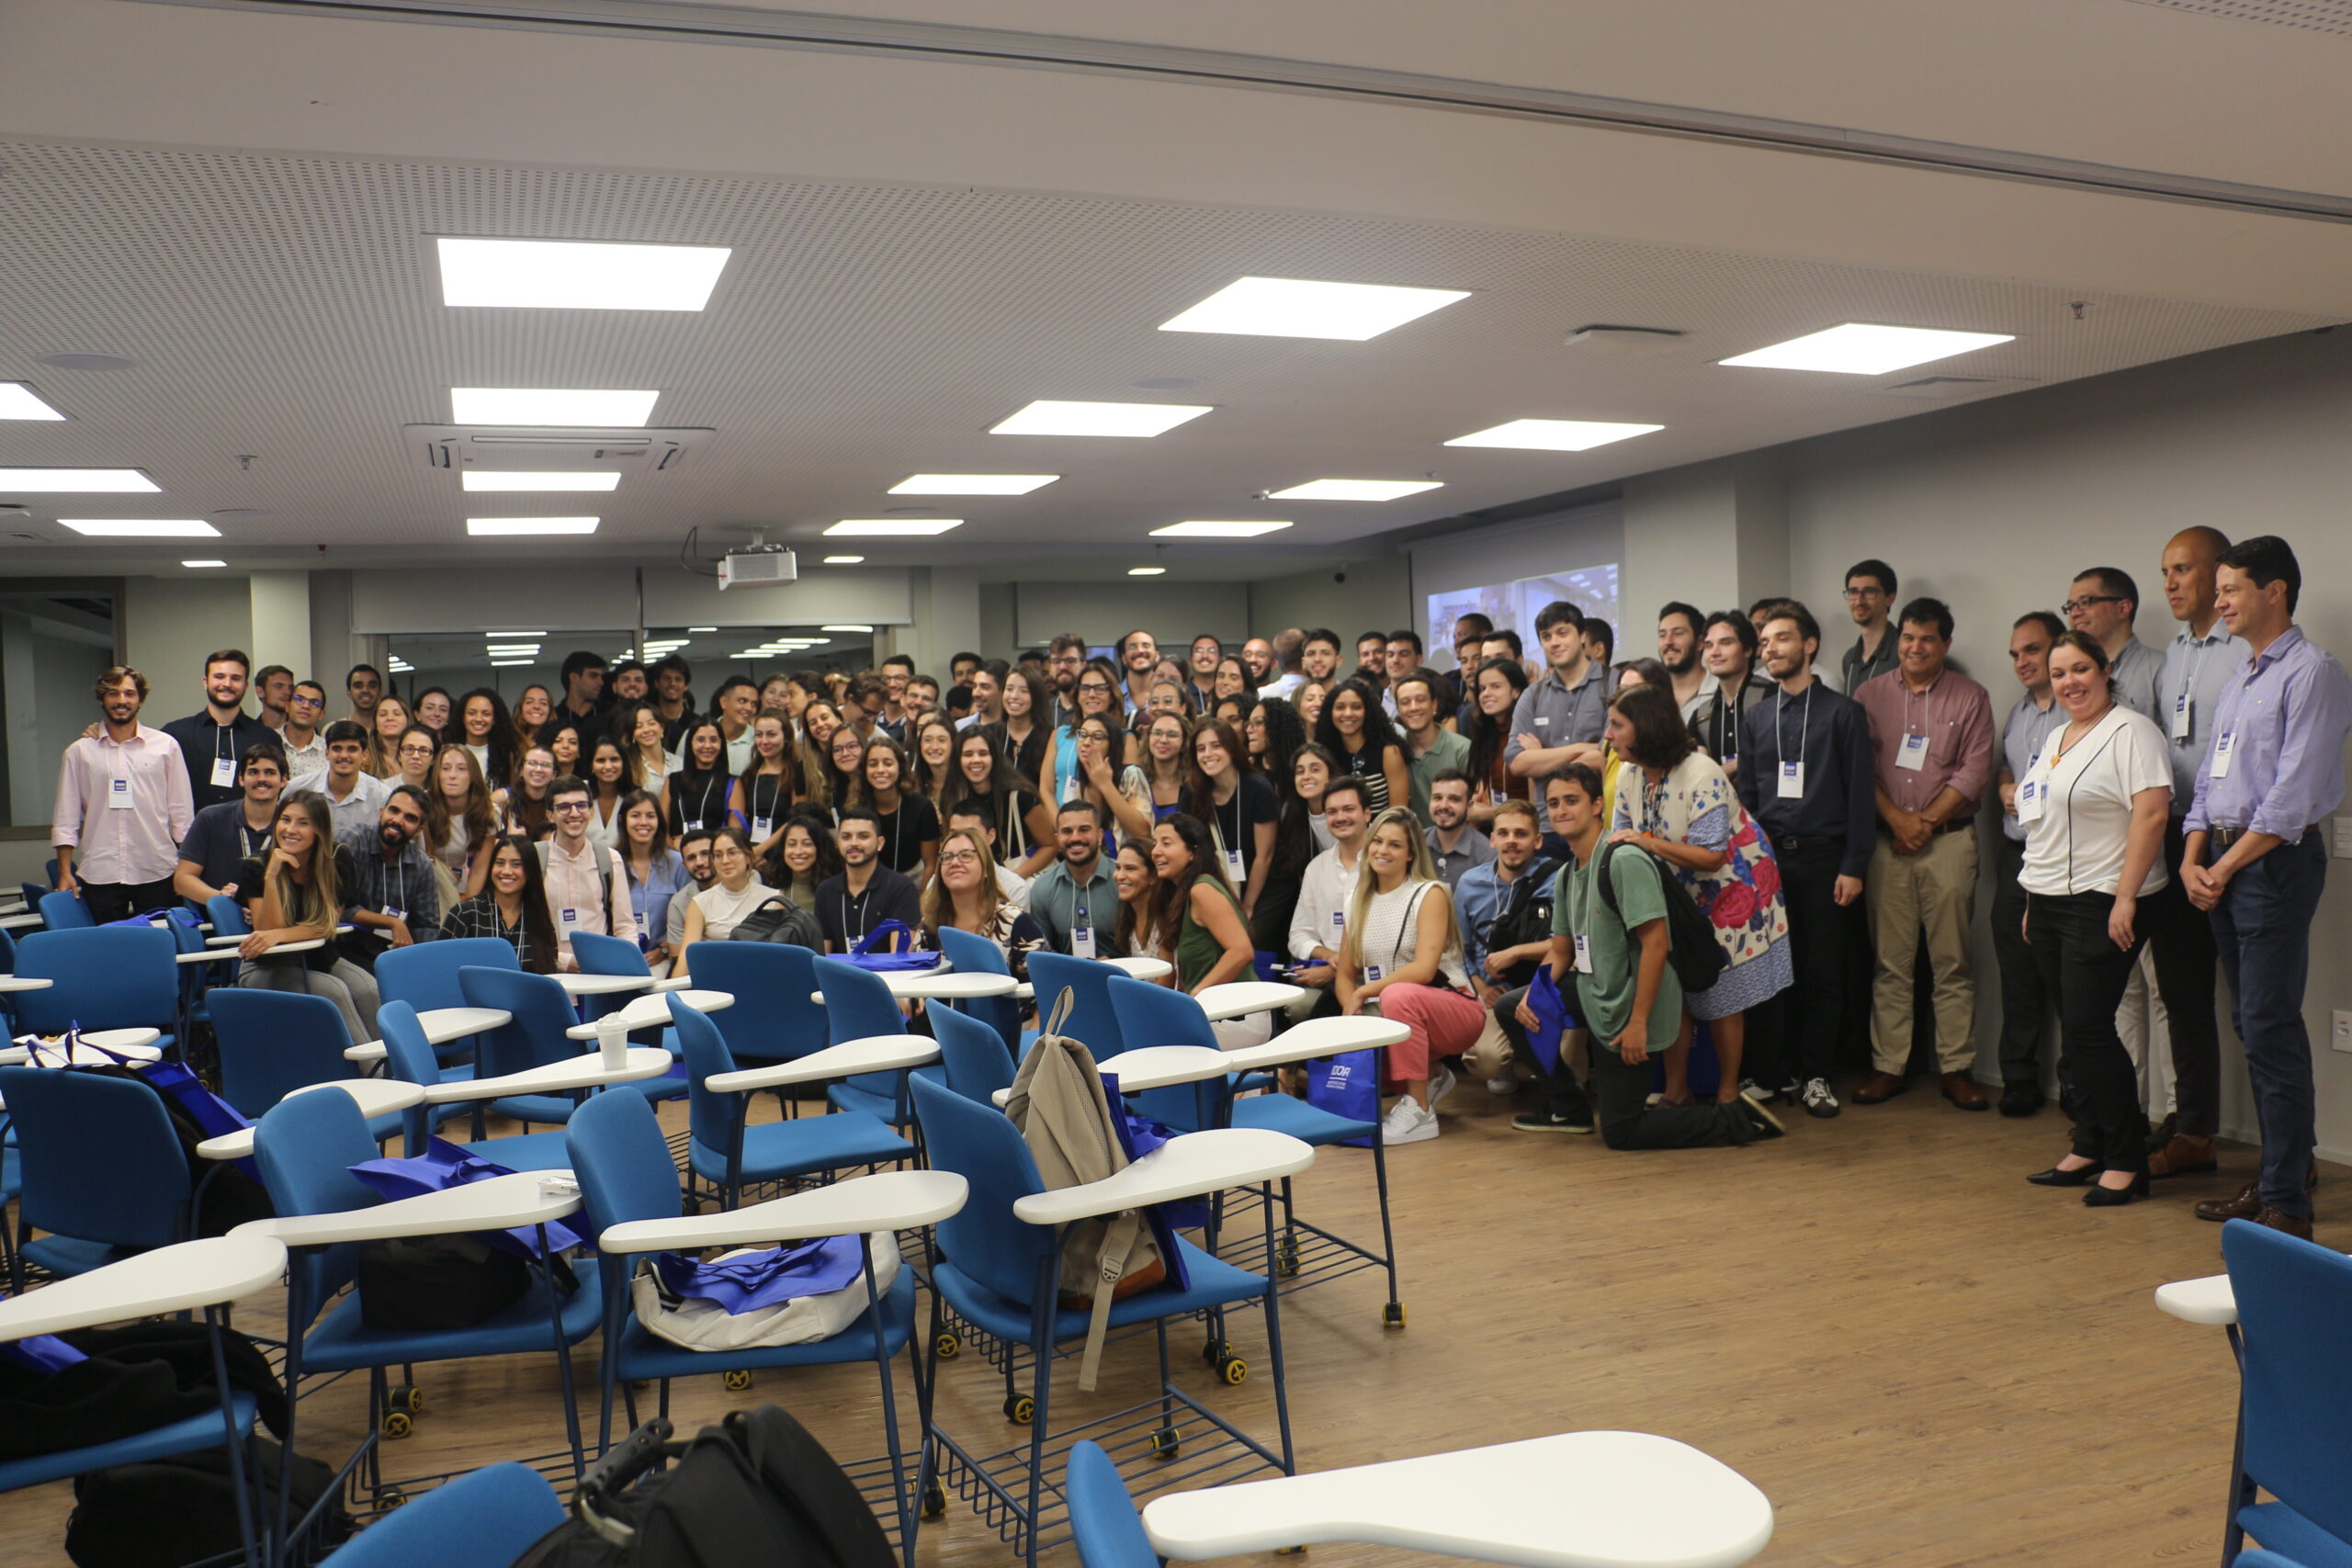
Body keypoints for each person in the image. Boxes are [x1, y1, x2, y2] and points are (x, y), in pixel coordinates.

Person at [2183, 536, 2352, 1240]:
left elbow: (2290, 800)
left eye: (2230, 589)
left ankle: (2289, 1201)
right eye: (2217, 590)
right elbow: (2208, 783)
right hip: (2223, 863)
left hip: (2271, 867)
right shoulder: (2241, 678)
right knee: (2251, 1025)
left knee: (2271, 1026)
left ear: (2274, 591)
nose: (2217, 602)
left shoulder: (2313, 674)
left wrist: (2224, 868)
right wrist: (2196, 854)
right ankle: (2283, 1173)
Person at [1528, 762, 1781, 1151]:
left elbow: (1657, 945)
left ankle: (1735, 1118)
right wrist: (1535, 993)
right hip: (1598, 992)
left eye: (1572, 801)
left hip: (1631, 1006)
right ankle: (1569, 1108)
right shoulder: (1566, 874)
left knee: (1621, 1134)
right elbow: (1562, 949)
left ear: (1597, 805)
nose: (1561, 810)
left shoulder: (1622, 859)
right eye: (1554, 803)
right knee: (1515, 1007)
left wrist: (1638, 1024)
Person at [2015, 631, 2173, 1207]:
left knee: (2089, 1027)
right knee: (2074, 1029)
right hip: (2050, 897)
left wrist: (2126, 897)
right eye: (2059, 674)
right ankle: (2088, 1142)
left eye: (2081, 669)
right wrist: (2034, 896)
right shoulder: (2057, 735)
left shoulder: (2133, 732)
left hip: (2105, 896)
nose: (2070, 682)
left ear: (2106, 670)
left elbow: (2152, 815)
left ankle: (2128, 1159)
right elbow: (2043, 824)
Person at [1607, 682, 1792, 1107]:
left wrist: (1646, 842)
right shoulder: (1630, 774)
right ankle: (1676, 1091)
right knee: (1676, 991)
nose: (1608, 735)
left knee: (1721, 993)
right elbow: (1620, 837)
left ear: (1646, 728)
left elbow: (1710, 856)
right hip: (1673, 892)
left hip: (1730, 891)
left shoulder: (1699, 771)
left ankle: (1728, 1093)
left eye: (1618, 725)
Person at [1853, 596, 1997, 1110]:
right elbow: (1859, 771)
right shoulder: (1869, 695)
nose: (1915, 647)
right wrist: (1897, 819)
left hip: (1950, 844)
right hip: (1887, 844)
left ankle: (1957, 1069)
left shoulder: (1971, 697)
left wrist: (1925, 821)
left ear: (1945, 644)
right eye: (1908, 638)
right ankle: (1888, 1066)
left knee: (1952, 962)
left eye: (1927, 639)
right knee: (1890, 964)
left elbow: (1975, 769)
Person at [1736, 603, 1878, 1120]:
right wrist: (1749, 867)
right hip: (1770, 862)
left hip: (1825, 860)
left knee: (1823, 973)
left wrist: (1854, 865)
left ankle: (1818, 1074)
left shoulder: (1842, 712)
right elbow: (1746, 800)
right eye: (1765, 641)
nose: (1770, 648)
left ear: (1809, 645)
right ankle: (1774, 1073)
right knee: (1774, 971)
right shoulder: (1756, 718)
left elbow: (1861, 796)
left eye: (1781, 639)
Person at [2144, 525, 2242, 1180]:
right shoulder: (2173, 654)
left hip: (2238, 835)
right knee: (2182, 992)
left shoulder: (2245, 651)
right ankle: (2195, 1130)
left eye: (2183, 569)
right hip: (2178, 833)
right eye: (2165, 572)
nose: (2172, 583)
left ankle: (2292, 1148)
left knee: (2254, 1003)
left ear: (2217, 573)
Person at [1340, 807, 1483, 1145]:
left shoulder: (1429, 892)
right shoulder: (1355, 900)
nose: (1382, 851)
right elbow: (1345, 973)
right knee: (1370, 1060)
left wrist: (1364, 992)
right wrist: (1352, 1009)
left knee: (1397, 995)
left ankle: (1419, 1110)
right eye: (1377, 842)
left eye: (1394, 845)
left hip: (1455, 1009)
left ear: (1411, 854)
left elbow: (1423, 969)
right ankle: (1433, 1075)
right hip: (1393, 1010)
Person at [1457, 792, 1580, 1122]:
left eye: (1521, 834)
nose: (1512, 842)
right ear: (1492, 838)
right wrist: (1482, 987)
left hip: (1551, 982)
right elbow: (1463, 951)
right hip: (1498, 988)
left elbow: (1570, 943)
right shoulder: (1469, 885)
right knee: (1486, 1060)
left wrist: (1517, 951)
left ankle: (1563, 1091)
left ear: (1538, 840)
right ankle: (1509, 1064)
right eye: (1505, 834)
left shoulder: (1561, 878)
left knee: (1569, 1068)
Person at [1990, 612, 2069, 1116]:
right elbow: (2006, 764)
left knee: (2067, 979)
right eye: (2016, 653)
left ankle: (2078, 1084)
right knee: (2016, 974)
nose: (2023, 661)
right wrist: (2002, 785)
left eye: (2033, 651)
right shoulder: (2018, 714)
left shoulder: (2079, 712)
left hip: (2065, 856)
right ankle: (2019, 1077)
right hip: (2017, 855)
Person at [232, 789, 381, 1042]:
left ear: (319, 830)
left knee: (369, 988)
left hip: (318, 957)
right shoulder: (256, 866)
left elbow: (327, 924)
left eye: (303, 823)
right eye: (285, 819)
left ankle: (397, 1070)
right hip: (266, 967)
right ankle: (373, 1076)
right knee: (334, 992)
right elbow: (267, 933)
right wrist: (271, 877)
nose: (291, 830)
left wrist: (280, 934)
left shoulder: (337, 858)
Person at [1504, 602, 1609, 831]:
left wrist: (1541, 758)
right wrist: (1581, 748)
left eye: (1562, 633)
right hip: (1547, 826)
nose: (1554, 642)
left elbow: (1610, 756)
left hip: (1601, 823)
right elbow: (1517, 762)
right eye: (1546, 636)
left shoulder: (1613, 684)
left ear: (1582, 635)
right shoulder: (1532, 694)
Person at [1285, 775, 1372, 1019]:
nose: (1340, 817)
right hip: (1327, 974)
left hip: (1375, 977)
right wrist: (1330, 958)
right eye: (1332, 812)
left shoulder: (1383, 864)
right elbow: (1298, 935)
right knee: (1296, 1007)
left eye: (1348, 809)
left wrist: (1339, 970)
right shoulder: (1316, 868)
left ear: (1367, 813)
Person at [537, 773, 636, 972]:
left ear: (591, 811)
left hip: (600, 974)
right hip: (549, 974)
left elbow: (625, 926)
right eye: (564, 807)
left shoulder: (609, 859)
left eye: (581, 805)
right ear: (550, 815)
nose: (574, 813)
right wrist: (565, 961)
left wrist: (624, 962)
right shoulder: (534, 858)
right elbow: (525, 931)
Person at [336, 784, 441, 969]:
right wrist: (392, 922)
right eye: (394, 811)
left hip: (390, 953)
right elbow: (334, 908)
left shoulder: (421, 866)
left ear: (419, 830)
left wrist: (426, 966)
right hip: (339, 945)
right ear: (381, 812)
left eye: (410, 818)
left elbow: (426, 927)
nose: (398, 820)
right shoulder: (351, 841)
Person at [924, 824, 1048, 978]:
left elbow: (1037, 990)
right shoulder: (929, 924)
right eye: (947, 857)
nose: (955, 862)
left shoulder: (1016, 922)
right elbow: (917, 987)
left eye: (966, 855)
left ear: (986, 870)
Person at [174, 742, 287, 906]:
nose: (261, 779)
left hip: (275, 921)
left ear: (283, 780)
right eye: (253, 772)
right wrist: (224, 903)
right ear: (241, 779)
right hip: (218, 924)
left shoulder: (291, 827)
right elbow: (182, 880)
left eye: (270, 773)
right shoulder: (210, 818)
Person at [160, 648, 273, 811]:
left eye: (236, 678)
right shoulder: (175, 735)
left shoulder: (266, 738)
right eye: (219, 677)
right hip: (190, 834)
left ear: (246, 685)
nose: (227, 684)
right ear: (205, 682)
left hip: (247, 834)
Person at [1187, 716, 1277, 916]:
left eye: (1216, 746)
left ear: (1231, 748)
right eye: (1201, 749)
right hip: (1212, 889)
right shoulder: (1192, 792)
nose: (1208, 754)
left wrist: (1247, 906)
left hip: (1260, 891)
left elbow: (1265, 856)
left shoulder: (1258, 788)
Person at [438, 833, 560, 974]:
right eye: (500, 863)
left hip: (525, 995)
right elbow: (442, 968)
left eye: (516, 864)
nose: (506, 871)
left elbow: (548, 975)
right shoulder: (465, 913)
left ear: (530, 871)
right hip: (472, 996)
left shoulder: (540, 922)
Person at [944, 729, 1054, 874]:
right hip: (970, 875)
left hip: (1016, 876)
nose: (976, 760)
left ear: (994, 757)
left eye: (983, 753)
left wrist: (1011, 881)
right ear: (958, 760)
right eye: (968, 754)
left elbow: (1050, 845)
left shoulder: (1020, 796)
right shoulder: (952, 796)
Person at [817, 807, 922, 954]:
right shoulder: (825, 890)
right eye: (846, 837)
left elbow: (899, 958)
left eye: (863, 836)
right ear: (837, 843)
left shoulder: (901, 887)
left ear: (880, 843)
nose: (853, 843)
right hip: (839, 975)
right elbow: (821, 956)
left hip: (888, 976)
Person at [2065, 567, 2165, 717]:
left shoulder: (2162, 668)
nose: (2074, 613)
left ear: (2123, 608)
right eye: (2070, 606)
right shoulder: (2068, 679)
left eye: (2085, 602)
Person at [672, 827, 771, 975]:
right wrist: (671, 993)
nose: (725, 861)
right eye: (718, 855)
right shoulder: (699, 903)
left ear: (748, 856)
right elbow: (686, 958)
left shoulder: (773, 899)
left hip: (762, 975)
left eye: (732, 853)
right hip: (715, 979)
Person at [1686, 612, 1774, 778]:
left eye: (1726, 643)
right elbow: (1697, 765)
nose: (1715, 652)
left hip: (1767, 801)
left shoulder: (1772, 697)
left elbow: (1773, 751)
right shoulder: (1701, 715)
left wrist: (1723, 770)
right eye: (1708, 645)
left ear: (1748, 650)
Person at [1029, 799, 1119, 955]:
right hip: (1067, 978)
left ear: (1099, 835)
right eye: (1067, 831)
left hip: (1123, 976)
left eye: (1084, 829)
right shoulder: (1042, 888)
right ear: (1057, 837)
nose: (1075, 838)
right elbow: (1044, 954)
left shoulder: (1122, 879)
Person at [615, 789, 689, 975]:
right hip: (619, 958)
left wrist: (663, 950)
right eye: (635, 815)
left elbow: (688, 918)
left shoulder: (677, 863)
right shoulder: (611, 861)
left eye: (650, 816)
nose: (643, 823)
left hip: (663, 958)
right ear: (622, 820)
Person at [1316, 678, 1409, 817]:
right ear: (1330, 712)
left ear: (1368, 711)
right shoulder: (1323, 754)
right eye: (1340, 707)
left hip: (1382, 834)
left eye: (1356, 707)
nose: (1348, 713)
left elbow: (1398, 813)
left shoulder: (1389, 752)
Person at [854, 732, 940, 879]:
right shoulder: (856, 809)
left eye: (888, 763)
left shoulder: (922, 807)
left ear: (900, 768)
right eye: (873, 764)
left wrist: (921, 901)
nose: (880, 770)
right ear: (864, 770)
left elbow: (930, 864)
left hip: (915, 879)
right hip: (869, 879)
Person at [289, 720, 392, 840]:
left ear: (364, 755)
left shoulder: (382, 796)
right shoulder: (298, 788)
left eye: (352, 749)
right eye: (337, 749)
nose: (344, 755)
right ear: (327, 753)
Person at [424, 742, 496, 908]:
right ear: (437, 773)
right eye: (446, 768)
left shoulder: (489, 812)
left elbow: (480, 868)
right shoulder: (422, 806)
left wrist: (466, 912)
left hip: (465, 884)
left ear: (473, 775)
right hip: (428, 883)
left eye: (461, 769)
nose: (452, 775)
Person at [1464, 657, 1532, 829]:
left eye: (1495, 686)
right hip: (1492, 830)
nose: (1486, 694)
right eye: (1482, 689)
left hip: (1526, 828)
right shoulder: (1484, 734)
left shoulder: (1529, 736)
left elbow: (1539, 805)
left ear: (1516, 691)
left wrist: (1492, 812)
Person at [1394, 671, 1469, 826]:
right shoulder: (1394, 750)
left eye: (1420, 700)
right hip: (1411, 841)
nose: (1413, 707)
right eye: (1405, 702)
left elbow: (1472, 807)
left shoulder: (1462, 749)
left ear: (1434, 706)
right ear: (1399, 711)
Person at [736, 714, 797, 863]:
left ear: (787, 737)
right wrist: (749, 851)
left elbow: (795, 820)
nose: (764, 741)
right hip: (751, 855)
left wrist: (760, 850)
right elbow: (740, 819)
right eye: (759, 735)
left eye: (771, 735)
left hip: (785, 853)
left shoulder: (796, 774)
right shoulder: (749, 775)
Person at [662, 719, 735, 837]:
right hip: (675, 851)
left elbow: (735, 834)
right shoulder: (672, 780)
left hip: (715, 852)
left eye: (714, 740)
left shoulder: (732, 783)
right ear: (690, 743)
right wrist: (674, 847)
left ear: (721, 744)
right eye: (700, 740)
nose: (707, 746)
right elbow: (661, 829)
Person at [1422, 771, 1494, 888]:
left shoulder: (1486, 855)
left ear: (1469, 806)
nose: (1444, 805)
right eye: (1437, 798)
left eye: (1454, 799)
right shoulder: (1415, 844)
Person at [1840, 560, 1902, 694]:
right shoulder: (1849, 659)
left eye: (1869, 592)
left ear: (1890, 598)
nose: (1859, 601)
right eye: (1853, 592)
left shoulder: (1904, 652)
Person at [768, 810, 842, 913]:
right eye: (792, 844)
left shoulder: (836, 890)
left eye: (807, 844)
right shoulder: (774, 888)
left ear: (820, 848)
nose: (798, 851)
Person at [990, 667, 1052, 785]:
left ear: (1036, 696)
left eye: (1024, 691)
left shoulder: (1050, 737)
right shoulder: (989, 734)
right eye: (1009, 689)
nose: (1014, 696)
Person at [665, 828, 718, 957]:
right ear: (684, 864)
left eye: (705, 854)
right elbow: (677, 955)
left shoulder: (742, 883)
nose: (699, 862)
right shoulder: (679, 902)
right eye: (691, 858)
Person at [455, 687, 515, 788]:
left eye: (486, 714)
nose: (478, 719)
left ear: (494, 720)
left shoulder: (505, 754)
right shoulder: (450, 751)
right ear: (463, 718)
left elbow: (512, 790)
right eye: (471, 713)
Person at [494, 745, 558, 840]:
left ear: (554, 774)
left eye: (545, 765)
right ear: (521, 770)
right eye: (532, 763)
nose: (538, 769)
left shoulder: (560, 803)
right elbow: (481, 843)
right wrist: (509, 840)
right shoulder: (502, 798)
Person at [1657, 603, 1708, 718]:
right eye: (1662, 635)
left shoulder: (1721, 690)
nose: (1668, 642)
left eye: (1678, 633)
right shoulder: (1652, 695)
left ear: (1700, 642)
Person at [1138, 710, 1192, 822]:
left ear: (1184, 742)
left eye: (1172, 735)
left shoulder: (1194, 785)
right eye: (1157, 733)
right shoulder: (1137, 781)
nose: (1163, 740)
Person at [614, 700, 678, 792]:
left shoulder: (680, 763)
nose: (646, 730)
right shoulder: (627, 767)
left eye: (651, 723)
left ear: (662, 727)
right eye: (638, 726)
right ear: (632, 734)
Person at [582, 737, 631, 856]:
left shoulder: (634, 796)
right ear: (592, 765)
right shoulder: (579, 791)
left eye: (614, 759)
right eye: (601, 760)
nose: (608, 766)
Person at [709, 675, 759, 772]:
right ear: (724, 702)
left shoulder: (759, 741)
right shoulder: (697, 734)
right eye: (742, 701)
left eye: (753, 704)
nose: (749, 708)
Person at [281, 680, 328, 776]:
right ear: (287, 706)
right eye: (299, 699)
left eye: (314, 703)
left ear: (321, 714)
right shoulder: (268, 741)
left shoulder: (329, 753)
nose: (306, 706)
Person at [650, 654, 697, 750]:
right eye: (667, 678)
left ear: (686, 685)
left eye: (678, 679)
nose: (672, 683)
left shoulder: (697, 724)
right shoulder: (647, 721)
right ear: (656, 683)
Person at [554, 650, 607, 734]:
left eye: (601, 677)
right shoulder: (555, 717)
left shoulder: (609, 715)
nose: (601, 682)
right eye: (593, 676)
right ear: (574, 678)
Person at [364, 694, 413, 780]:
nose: (390, 718)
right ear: (375, 722)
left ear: (408, 719)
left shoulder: (418, 756)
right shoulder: (364, 759)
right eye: (383, 714)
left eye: (397, 714)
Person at [1115, 629, 1160, 717]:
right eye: (1132, 647)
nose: (1140, 651)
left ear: (1157, 656)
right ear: (1124, 658)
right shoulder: (1112, 696)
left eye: (1146, 646)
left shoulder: (1170, 695)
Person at [510, 685, 554, 771]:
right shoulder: (509, 741)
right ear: (520, 708)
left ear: (550, 710)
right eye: (529, 702)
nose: (536, 706)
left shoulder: (558, 742)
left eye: (543, 703)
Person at [389, 726, 437, 796]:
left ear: (433, 759)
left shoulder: (439, 793)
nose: (416, 756)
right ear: (399, 755)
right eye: (409, 749)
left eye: (423, 750)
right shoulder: (384, 788)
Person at [253, 663, 294, 735]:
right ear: (260, 692)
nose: (288, 692)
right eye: (279, 686)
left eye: (290, 687)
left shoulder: (303, 731)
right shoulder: (250, 733)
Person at [345, 662, 382, 726]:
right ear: (349, 692)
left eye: (372, 686)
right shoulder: (334, 729)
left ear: (380, 692)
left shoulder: (390, 730)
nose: (365, 690)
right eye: (358, 686)